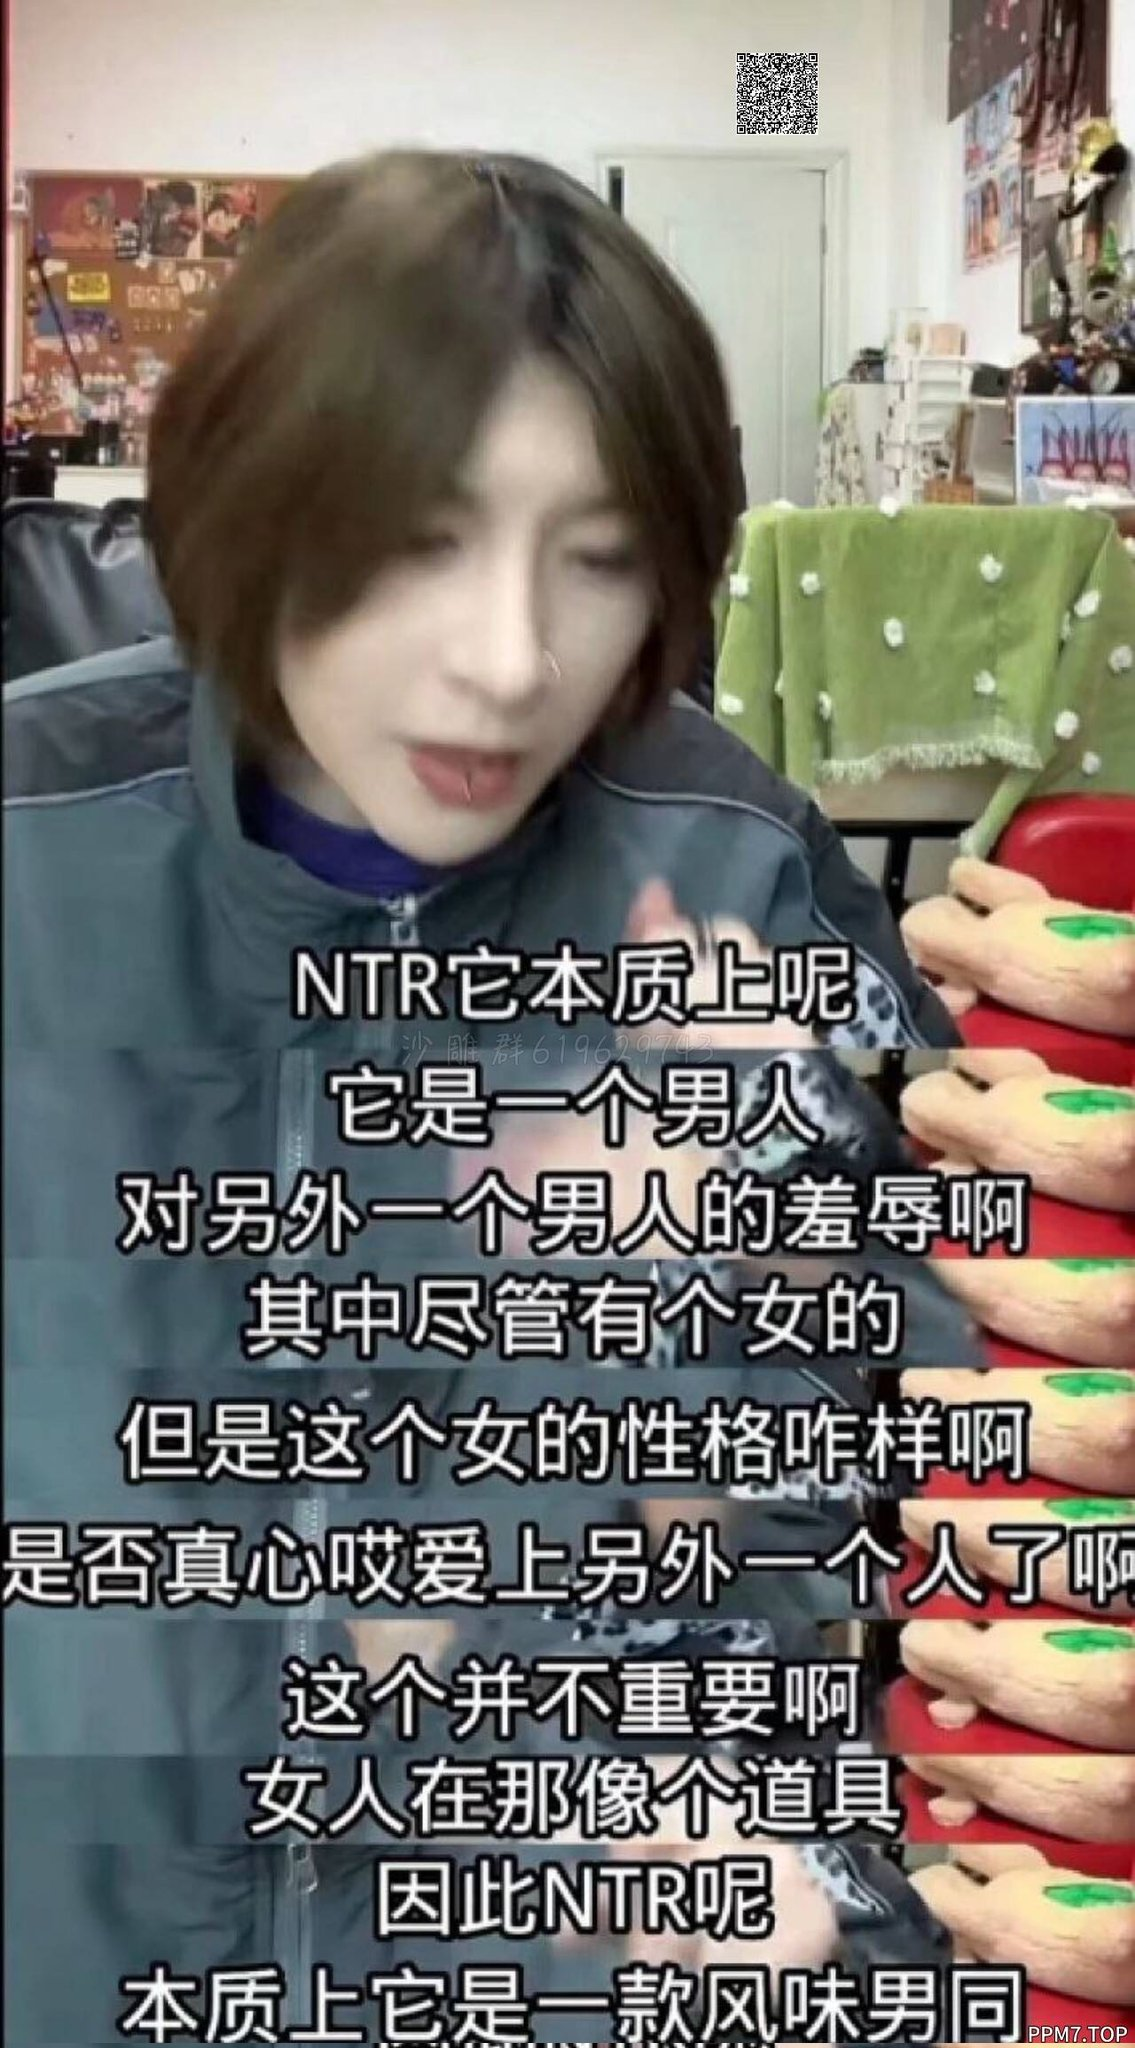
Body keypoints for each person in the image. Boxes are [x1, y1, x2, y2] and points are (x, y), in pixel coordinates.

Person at [5, 149, 965, 2046]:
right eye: (422, 540)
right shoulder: (33, 848)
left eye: (597, 558)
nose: (513, 661)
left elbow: (858, 1504)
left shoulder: (737, 873)